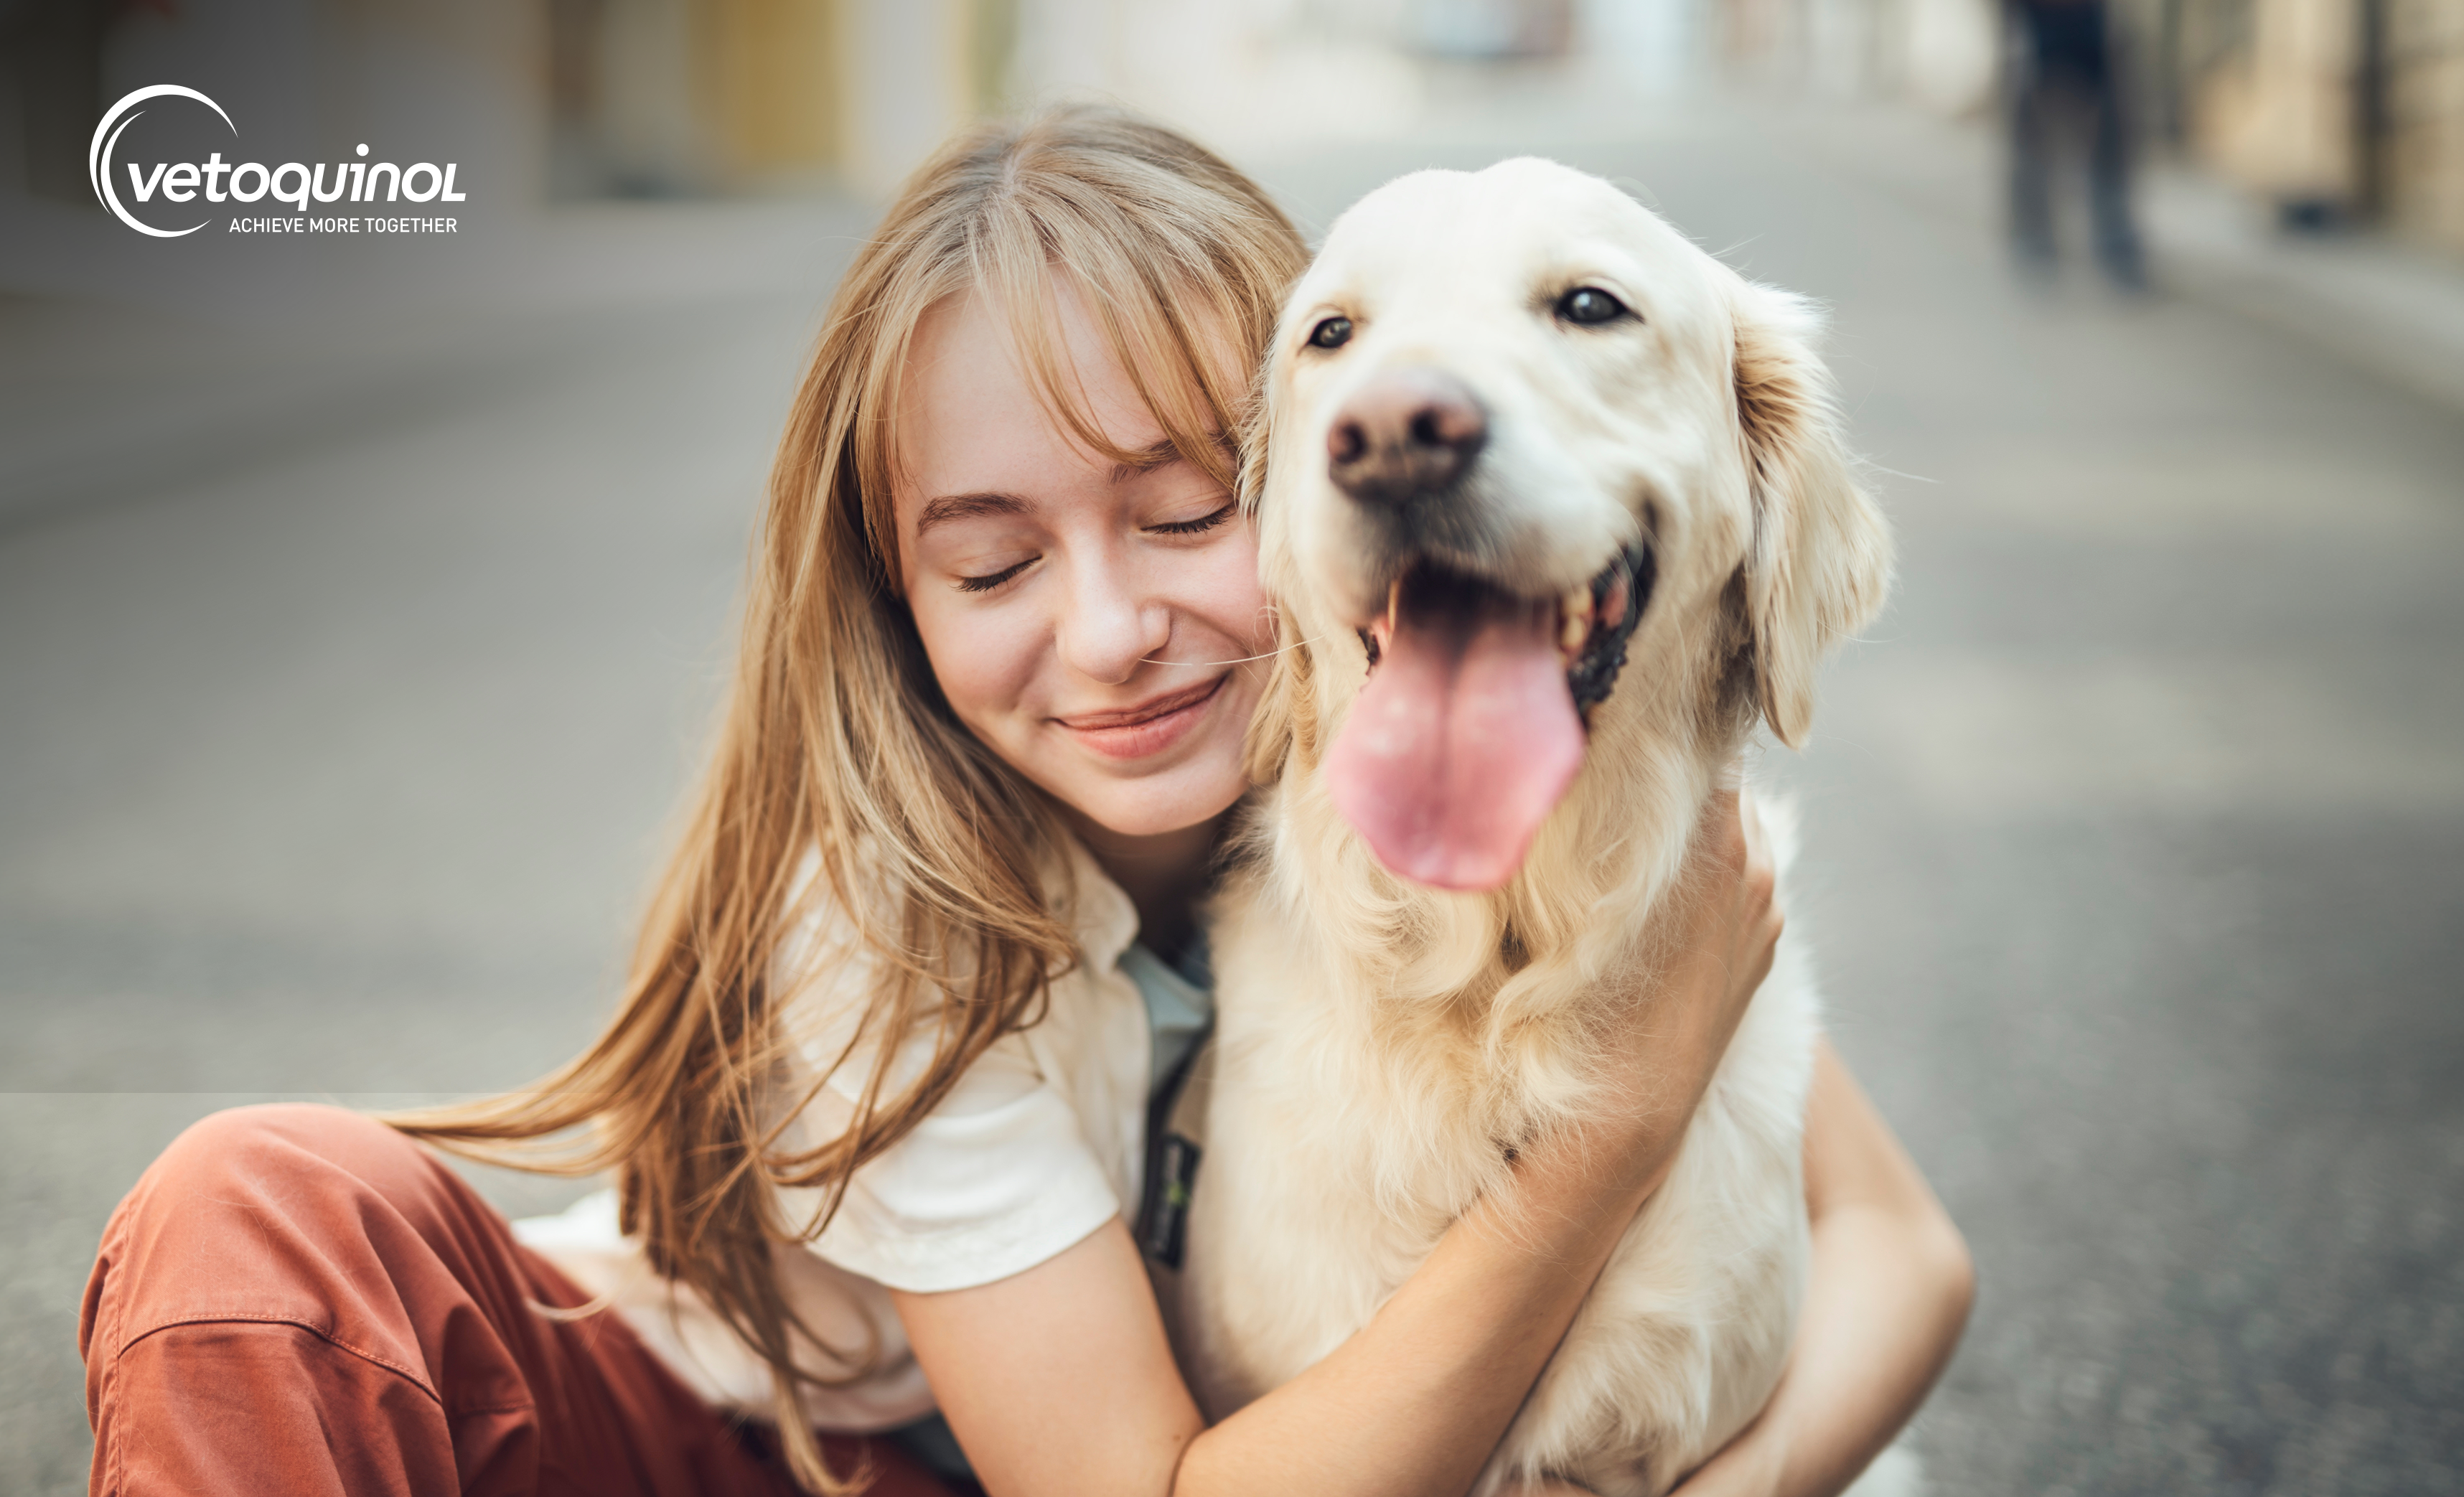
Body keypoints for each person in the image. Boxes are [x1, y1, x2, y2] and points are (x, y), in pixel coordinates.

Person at [78, 106, 1974, 1497]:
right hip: (750, 1443)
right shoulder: (891, 924)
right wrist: (1612, 1130)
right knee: (260, 1200)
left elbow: (1904, 1244)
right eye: (990, 569)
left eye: (1182, 513)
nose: (1113, 633)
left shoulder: (1456, 776)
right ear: (897, 608)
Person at [2003, 0, 2147, 288]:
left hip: (2090, 16)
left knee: (2108, 133)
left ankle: (2115, 246)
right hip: (2037, 17)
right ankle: (2035, 245)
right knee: (2033, 136)